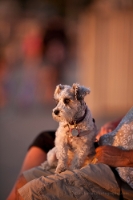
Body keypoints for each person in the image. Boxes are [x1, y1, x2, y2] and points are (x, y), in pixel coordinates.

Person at [7, 108, 133, 200]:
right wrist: (114, 124)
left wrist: (124, 156)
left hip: (121, 174)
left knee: (30, 192)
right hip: (106, 147)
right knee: (23, 181)